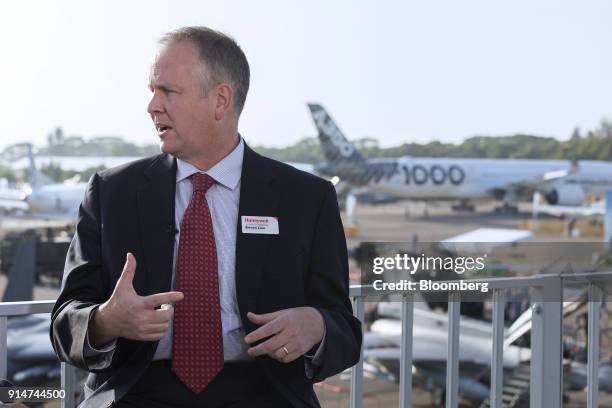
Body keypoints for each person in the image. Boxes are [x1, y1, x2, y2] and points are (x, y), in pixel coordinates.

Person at [49, 26, 362, 408]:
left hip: (264, 393)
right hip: (137, 391)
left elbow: (344, 330)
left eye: (168, 91)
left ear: (220, 100)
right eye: (151, 91)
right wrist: (105, 321)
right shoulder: (112, 193)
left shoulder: (306, 198)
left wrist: (315, 325)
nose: (152, 106)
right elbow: (65, 323)